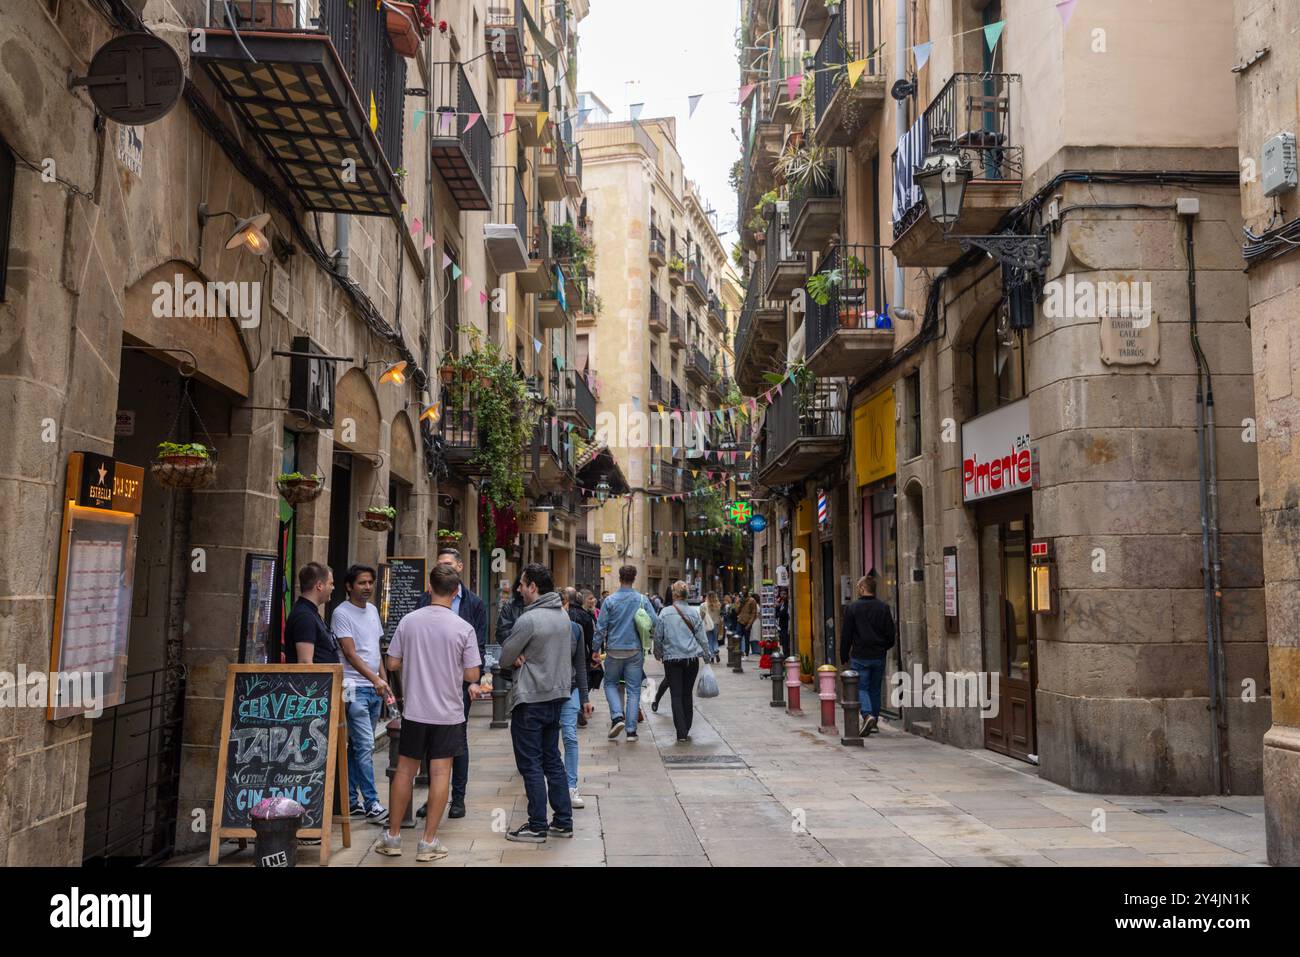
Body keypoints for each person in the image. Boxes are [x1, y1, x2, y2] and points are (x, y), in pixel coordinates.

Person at [374, 563, 481, 862]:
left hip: (416, 711)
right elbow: (473, 674)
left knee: (404, 772)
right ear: (456, 591)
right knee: (440, 774)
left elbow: (392, 663)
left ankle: (393, 837)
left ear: (429, 588)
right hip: (448, 713)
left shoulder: (409, 621)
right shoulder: (463, 628)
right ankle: (428, 841)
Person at [498, 563, 575, 842]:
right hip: (556, 697)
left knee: (530, 764)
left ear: (533, 587)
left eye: (522, 584)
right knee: (552, 759)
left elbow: (505, 657)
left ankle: (537, 825)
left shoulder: (529, 620)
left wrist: (518, 654)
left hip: (530, 700)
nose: (518, 589)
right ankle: (563, 821)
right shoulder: (563, 617)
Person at [415, 548, 488, 820]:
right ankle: (434, 798)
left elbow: (478, 643)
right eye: (440, 564)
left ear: (459, 567)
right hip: (430, 679)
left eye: (448, 564)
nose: (444, 568)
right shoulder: (425, 600)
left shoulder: (474, 603)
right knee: (430, 740)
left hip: (460, 680)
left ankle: (458, 798)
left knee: (458, 738)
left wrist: (475, 680)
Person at [331, 564, 391, 824]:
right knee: (365, 745)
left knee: (357, 746)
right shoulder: (341, 613)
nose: (367, 587)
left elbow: (375, 649)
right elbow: (351, 654)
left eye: (370, 583)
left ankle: (351, 801)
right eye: (361, 583)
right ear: (348, 586)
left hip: (374, 687)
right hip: (352, 688)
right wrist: (375, 678)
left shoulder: (374, 610)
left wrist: (384, 680)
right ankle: (372, 802)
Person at [592, 565, 657, 741]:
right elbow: (655, 622)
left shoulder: (610, 601)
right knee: (634, 689)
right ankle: (631, 731)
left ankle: (617, 716)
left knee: (610, 684)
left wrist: (595, 650)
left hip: (613, 649)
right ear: (634, 579)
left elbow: (600, 628)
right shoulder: (642, 600)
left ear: (619, 578)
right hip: (635, 650)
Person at [652, 581, 714, 742]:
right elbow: (702, 637)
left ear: (674, 595)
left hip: (672, 659)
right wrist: (706, 656)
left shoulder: (665, 612)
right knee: (687, 694)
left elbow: (658, 636)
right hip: (691, 659)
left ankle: (681, 732)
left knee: (676, 695)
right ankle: (687, 725)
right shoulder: (694, 613)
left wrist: (658, 653)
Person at [839, 575, 896, 736]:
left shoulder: (853, 608)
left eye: (859, 587)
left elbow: (846, 635)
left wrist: (844, 654)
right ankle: (875, 721)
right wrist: (885, 646)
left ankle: (867, 714)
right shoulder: (883, 607)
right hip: (878, 655)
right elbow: (891, 633)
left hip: (860, 655)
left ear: (863, 589)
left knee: (861, 687)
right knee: (875, 689)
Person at [559, 589, 593, 807]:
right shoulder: (542, 628)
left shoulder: (575, 630)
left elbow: (580, 664)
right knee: (549, 740)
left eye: (562, 606)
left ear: (567, 606)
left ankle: (571, 786)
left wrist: (585, 697)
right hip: (547, 692)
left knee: (570, 736)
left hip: (570, 689)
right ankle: (551, 782)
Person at [284, 562, 338, 665]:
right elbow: (305, 663)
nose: (333, 588)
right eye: (331, 584)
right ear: (319, 586)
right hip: (316, 681)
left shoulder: (309, 612)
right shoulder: (304, 617)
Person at [565, 587, 596, 726]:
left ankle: (576, 708)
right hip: (582, 654)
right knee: (579, 681)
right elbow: (591, 638)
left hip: (565, 657)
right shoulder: (585, 615)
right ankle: (578, 707)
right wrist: (593, 653)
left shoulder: (563, 616)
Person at [737, 591, 759, 656]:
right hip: (740, 620)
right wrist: (740, 604)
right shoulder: (741, 600)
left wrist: (749, 623)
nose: (743, 592)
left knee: (747, 638)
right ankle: (740, 651)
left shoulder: (752, 601)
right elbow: (737, 611)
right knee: (738, 637)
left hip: (747, 622)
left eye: (744, 591)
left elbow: (753, 613)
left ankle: (746, 652)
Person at [704, 592, 722, 663]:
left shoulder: (705, 605)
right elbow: (720, 614)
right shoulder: (718, 604)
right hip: (716, 624)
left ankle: (712, 657)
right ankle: (716, 650)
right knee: (715, 640)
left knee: (709, 641)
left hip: (708, 625)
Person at [775, 589, 791, 660]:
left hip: (786, 627)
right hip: (781, 627)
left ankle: (786, 658)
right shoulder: (782, 603)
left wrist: (778, 612)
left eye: (784, 594)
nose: (783, 596)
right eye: (781, 594)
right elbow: (776, 615)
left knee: (785, 645)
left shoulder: (787, 604)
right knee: (783, 644)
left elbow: (782, 614)